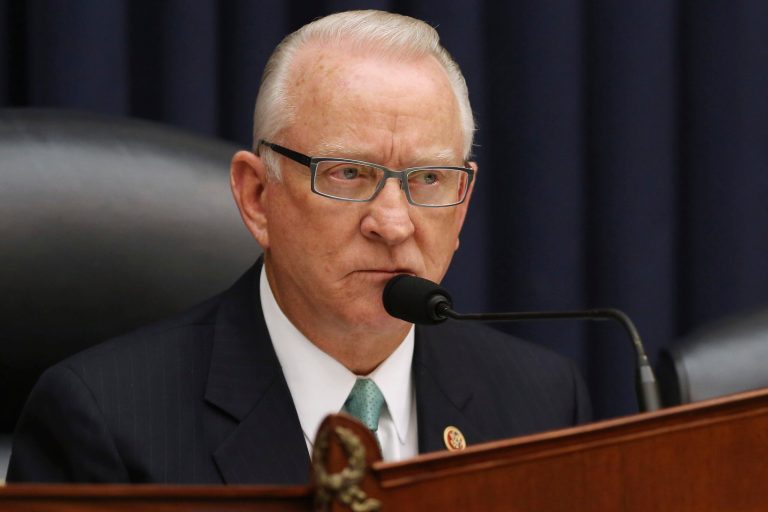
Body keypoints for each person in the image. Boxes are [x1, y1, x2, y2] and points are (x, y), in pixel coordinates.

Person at [7, 10, 590, 484]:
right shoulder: (104, 422)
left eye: (428, 179)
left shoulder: (542, 405)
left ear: (462, 205)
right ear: (257, 196)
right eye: (347, 174)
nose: (393, 223)